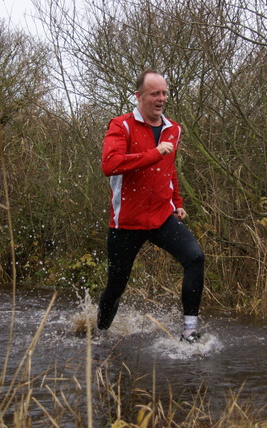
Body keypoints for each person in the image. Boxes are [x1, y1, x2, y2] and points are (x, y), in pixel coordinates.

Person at [97, 69, 205, 343]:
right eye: (155, 93)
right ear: (139, 96)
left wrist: (177, 202)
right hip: (127, 222)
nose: (161, 98)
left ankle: (189, 331)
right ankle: (99, 334)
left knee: (195, 258)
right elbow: (110, 165)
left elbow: (169, 171)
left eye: (164, 93)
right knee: (117, 285)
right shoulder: (121, 126)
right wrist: (154, 153)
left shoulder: (174, 129)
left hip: (161, 217)